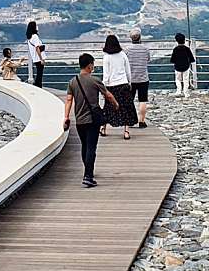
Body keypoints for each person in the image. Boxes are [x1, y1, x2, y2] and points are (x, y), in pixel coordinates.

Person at [64, 53, 119, 187]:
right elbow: (108, 95)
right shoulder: (95, 80)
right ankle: (88, 176)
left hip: (80, 120)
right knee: (91, 147)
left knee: (85, 145)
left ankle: (87, 170)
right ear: (89, 65)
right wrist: (116, 105)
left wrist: (66, 117)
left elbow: (69, 100)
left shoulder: (73, 81)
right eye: (93, 64)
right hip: (92, 120)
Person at [100, 34, 138, 139]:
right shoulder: (122, 55)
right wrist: (129, 82)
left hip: (111, 86)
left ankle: (103, 128)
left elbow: (106, 74)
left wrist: (104, 88)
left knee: (108, 107)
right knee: (126, 107)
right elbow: (128, 71)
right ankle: (126, 132)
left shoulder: (106, 57)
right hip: (123, 84)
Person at [125, 27, 151, 129]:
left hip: (131, 79)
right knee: (143, 100)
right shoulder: (145, 49)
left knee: (129, 100)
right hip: (143, 78)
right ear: (140, 37)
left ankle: (130, 121)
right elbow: (148, 59)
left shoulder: (127, 50)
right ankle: (142, 121)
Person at [171, 32, 196, 97]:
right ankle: (186, 92)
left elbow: (172, 60)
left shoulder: (175, 49)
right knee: (186, 79)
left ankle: (178, 91)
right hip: (186, 67)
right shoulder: (187, 49)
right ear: (184, 40)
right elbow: (192, 59)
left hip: (177, 67)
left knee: (178, 79)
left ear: (176, 41)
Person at [25, 20, 46, 87]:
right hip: (38, 58)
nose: (37, 27)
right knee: (40, 74)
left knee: (39, 73)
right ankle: (38, 86)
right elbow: (37, 48)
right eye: (36, 25)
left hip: (35, 58)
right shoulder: (35, 36)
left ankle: (38, 85)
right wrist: (41, 59)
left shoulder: (29, 37)